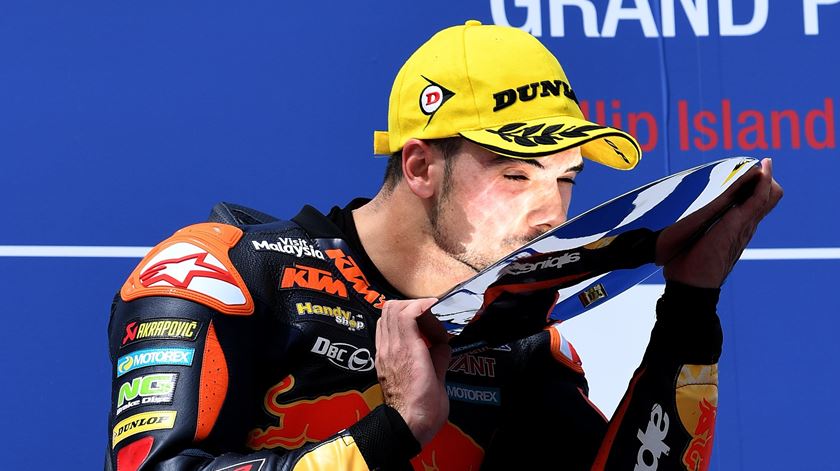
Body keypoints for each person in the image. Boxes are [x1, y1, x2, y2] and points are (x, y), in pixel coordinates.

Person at [106, 20, 782, 471]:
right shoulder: (223, 274)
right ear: (422, 167)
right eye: (516, 176)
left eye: (566, 178)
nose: (551, 212)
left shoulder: (519, 342)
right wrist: (396, 427)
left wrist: (692, 304)